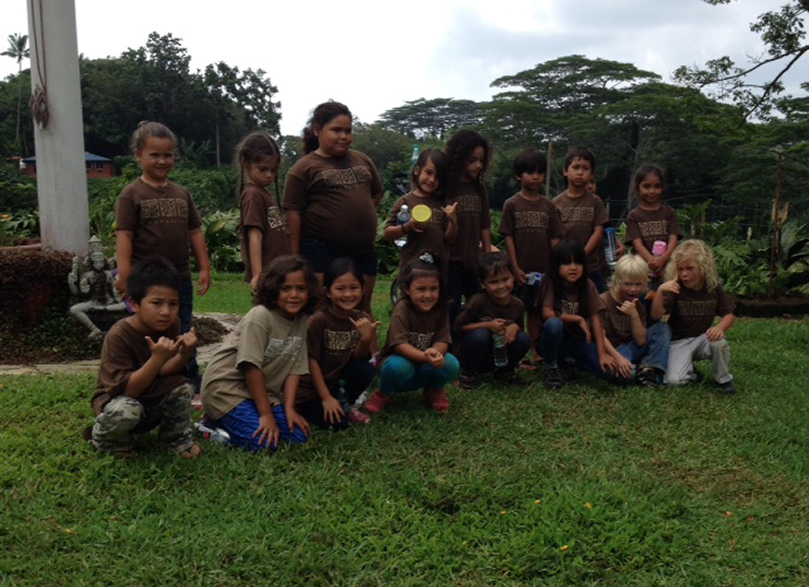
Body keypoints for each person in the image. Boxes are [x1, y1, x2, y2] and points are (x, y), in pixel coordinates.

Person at [114, 121, 211, 389]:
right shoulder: (130, 195)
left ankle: (189, 379)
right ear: (138, 156)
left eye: (167, 155)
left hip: (179, 280)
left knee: (183, 329)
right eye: (154, 155)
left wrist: (204, 266)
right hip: (147, 284)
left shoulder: (182, 193)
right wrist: (124, 275)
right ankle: (146, 378)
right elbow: (124, 236)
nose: (162, 161)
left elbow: (195, 232)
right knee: (148, 332)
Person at [200, 255, 319, 451]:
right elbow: (250, 367)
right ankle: (211, 426)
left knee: (298, 436)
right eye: (286, 288)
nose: (294, 295)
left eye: (301, 288)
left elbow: (294, 370)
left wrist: (289, 409)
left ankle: (233, 420)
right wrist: (266, 415)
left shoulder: (301, 320)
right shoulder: (260, 316)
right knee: (263, 444)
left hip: (263, 393)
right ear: (273, 289)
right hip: (228, 389)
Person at [89, 257, 200, 458]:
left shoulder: (170, 325)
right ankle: (106, 440)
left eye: (173, 304)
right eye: (156, 303)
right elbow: (130, 390)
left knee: (184, 388)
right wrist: (156, 359)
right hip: (119, 402)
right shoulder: (119, 335)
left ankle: (175, 440)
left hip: (151, 396)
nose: (166, 312)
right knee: (128, 408)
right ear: (134, 303)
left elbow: (166, 371)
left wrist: (184, 354)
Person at [284, 101, 384, 313]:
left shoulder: (362, 159)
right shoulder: (304, 168)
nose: (344, 136)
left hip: (363, 249)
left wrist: (356, 216)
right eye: (336, 130)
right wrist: (295, 257)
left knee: (362, 305)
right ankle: (318, 347)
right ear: (317, 130)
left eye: (348, 131)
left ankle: (368, 347)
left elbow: (376, 193)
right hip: (320, 249)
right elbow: (293, 213)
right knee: (321, 306)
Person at [363, 253, 460, 414]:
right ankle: (383, 393)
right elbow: (399, 345)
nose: (428, 295)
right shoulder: (403, 308)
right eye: (421, 289)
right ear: (407, 289)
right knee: (398, 366)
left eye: (433, 289)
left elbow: (443, 339)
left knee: (450, 363)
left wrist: (436, 354)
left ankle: (434, 390)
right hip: (400, 365)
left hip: (425, 366)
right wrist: (425, 357)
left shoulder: (441, 309)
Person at [295, 258, 380, 427]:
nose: (348, 294)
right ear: (328, 292)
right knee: (338, 425)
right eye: (340, 289)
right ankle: (306, 408)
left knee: (365, 369)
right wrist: (325, 397)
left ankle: (347, 404)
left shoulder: (361, 318)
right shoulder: (318, 321)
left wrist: (365, 339)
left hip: (335, 380)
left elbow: (357, 357)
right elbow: (311, 361)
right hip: (310, 387)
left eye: (354, 288)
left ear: (363, 289)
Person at [499, 148, 564, 367]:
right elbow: (508, 238)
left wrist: (555, 268)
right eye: (529, 172)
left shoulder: (549, 205)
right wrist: (514, 267)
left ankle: (537, 352)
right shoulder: (512, 204)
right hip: (519, 270)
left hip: (544, 272)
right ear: (519, 175)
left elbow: (555, 239)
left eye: (539, 172)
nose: (535, 177)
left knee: (537, 313)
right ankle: (519, 353)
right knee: (517, 310)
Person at [651, 240, 737, 393]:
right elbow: (656, 315)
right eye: (680, 269)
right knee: (674, 381)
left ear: (703, 268)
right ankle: (692, 372)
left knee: (719, 343)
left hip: (703, 338)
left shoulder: (713, 287)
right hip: (678, 341)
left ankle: (724, 380)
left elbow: (729, 314)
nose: (684, 274)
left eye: (690, 269)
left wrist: (720, 327)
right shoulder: (675, 287)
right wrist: (660, 292)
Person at [539, 240, 616, 389]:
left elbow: (596, 319)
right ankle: (552, 367)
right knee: (554, 323)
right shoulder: (551, 283)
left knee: (611, 374)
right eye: (566, 263)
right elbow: (547, 313)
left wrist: (602, 354)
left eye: (578, 263)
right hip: (555, 341)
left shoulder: (587, 285)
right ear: (556, 266)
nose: (573, 268)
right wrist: (578, 318)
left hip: (579, 341)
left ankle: (571, 362)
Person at [454, 252, 531, 389]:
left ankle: (505, 372)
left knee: (523, 339)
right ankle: (468, 374)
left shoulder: (517, 304)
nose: (501, 286)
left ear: (513, 277)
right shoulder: (478, 301)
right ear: (483, 284)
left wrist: (514, 327)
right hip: (473, 351)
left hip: (499, 354)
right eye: (494, 282)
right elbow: (458, 328)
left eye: (505, 279)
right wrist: (487, 325)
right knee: (481, 335)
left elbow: (520, 328)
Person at [444, 130, 493, 325]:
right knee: (451, 308)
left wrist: (488, 256)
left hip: (474, 260)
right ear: (460, 158)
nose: (478, 165)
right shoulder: (447, 187)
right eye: (472, 160)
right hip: (451, 262)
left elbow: (485, 225)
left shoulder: (478, 189)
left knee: (478, 306)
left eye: (481, 161)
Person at [600, 255, 671, 388]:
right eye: (627, 284)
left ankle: (650, 368)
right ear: (617, 281)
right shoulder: (604, 301)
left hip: (632, 346)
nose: (633, 289)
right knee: (623, 375)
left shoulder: (638, 305)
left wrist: (634, 315)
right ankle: (640, 371)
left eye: (638, 284)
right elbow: (599, 336)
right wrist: (618, 358)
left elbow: (640, 341)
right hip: (614, 350)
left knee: (662, 328)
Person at [383, 148, 458, 272]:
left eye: (438, 176)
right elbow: (387, 233)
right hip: (411, 272)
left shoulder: (443, 204)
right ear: (417, 170)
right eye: (428, 172)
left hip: (438, 271)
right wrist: (407, 227)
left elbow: (450, 239)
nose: (432, 180)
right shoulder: (405, 202)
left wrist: (453, 222)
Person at [236, 131, 290, 292]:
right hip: (267, 273)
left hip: (278, 270)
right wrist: (258, 273)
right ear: (245, 163)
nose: (269, 175)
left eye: (273, 171)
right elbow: (255, 235)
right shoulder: (253, 195)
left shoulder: (262, 193)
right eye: (263, 169)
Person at [553, 148, 610, 293]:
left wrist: (582, 255)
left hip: (590, 265)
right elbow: (554, 236)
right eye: (575, 167)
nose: (580, 172)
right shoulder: (555, 203)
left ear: (591, 174)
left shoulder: (595, 201)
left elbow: (598, 231)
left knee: (598, 304)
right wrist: (568, 258)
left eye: (585, 169)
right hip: (564, 265)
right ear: (565, 171)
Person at [625, 164, 683, 288]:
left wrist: (662, 260)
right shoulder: (634, 216)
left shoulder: (669, 213)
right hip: (643, 271)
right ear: (637, 188)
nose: (652, 191)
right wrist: (652, 262)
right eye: (646, 186)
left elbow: (674, 239)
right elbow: (637, 244)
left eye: (657, 187)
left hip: (668, 269)